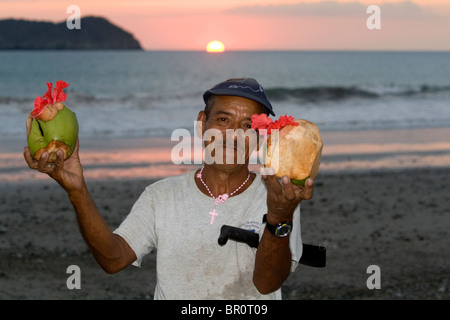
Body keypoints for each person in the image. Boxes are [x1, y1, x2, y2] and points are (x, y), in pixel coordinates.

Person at [23, 78, 314, 299]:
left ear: (261, 136)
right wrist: (77, 190)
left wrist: (279, 218)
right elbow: (113, 259)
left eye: (248, 125)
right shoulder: (161, 195)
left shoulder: (279, 198)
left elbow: (267, 284)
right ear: (202, 124)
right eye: (223, 120)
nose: (233, 135)